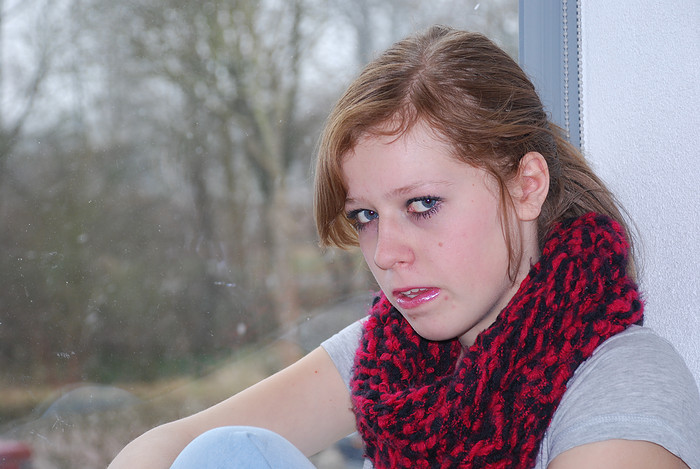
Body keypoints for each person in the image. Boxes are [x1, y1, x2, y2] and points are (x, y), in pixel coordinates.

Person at [109, 26, 700, 469]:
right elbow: (166, 447)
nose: (386, 254)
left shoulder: (622, 385)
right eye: (365, 216)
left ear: (527, 186)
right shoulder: (389, 356)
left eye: (422, 205)